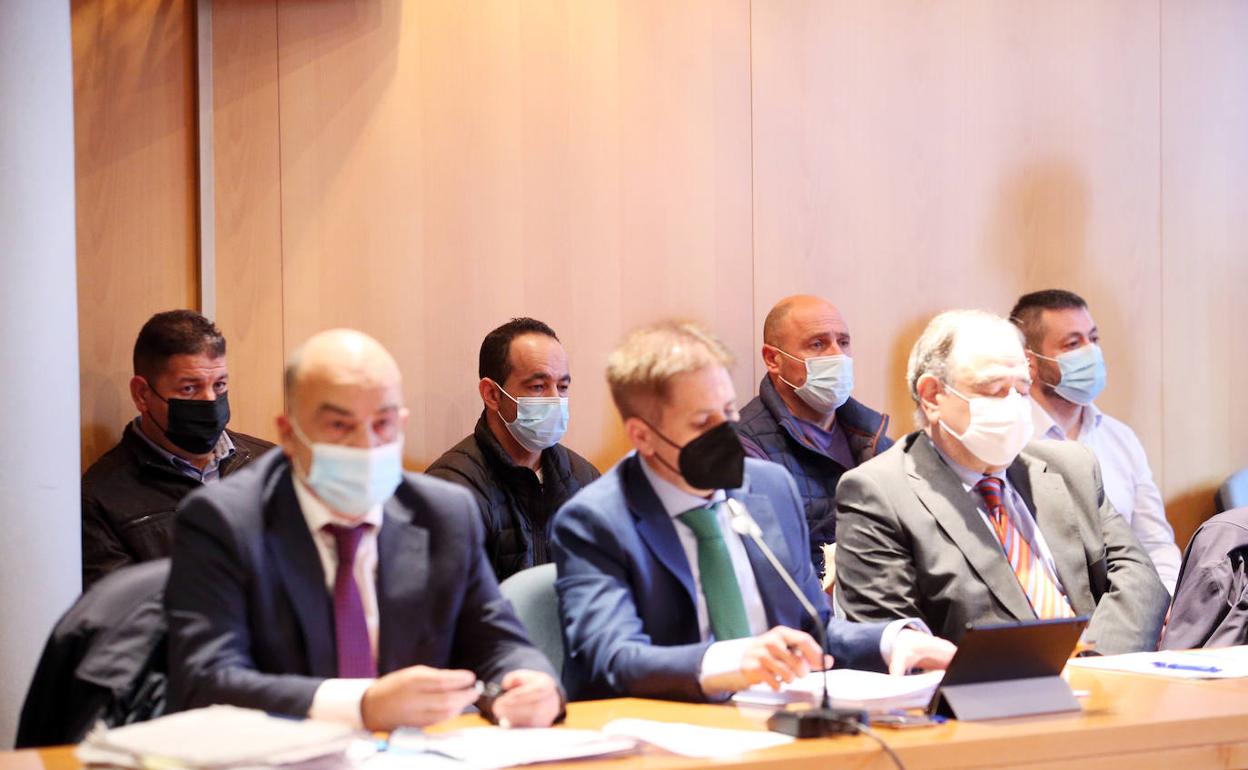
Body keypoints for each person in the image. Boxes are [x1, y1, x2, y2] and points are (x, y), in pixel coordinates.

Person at [165, 329, 561, 730]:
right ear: (288, 434)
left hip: (417, 752)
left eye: (383, 423)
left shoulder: (443, 514)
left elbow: (498, 643)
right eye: (340, 425)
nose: (366, 444)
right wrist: (362, 705)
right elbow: (205, 682)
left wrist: (531, 682)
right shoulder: (224, 521)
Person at [552, 320, 954, 702]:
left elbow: (812, 629)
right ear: (643, 436)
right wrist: (733, 661)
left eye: (728, 412)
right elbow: (613, 658)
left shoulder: (769, 488)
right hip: (668, 727)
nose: (725, 432)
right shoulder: (595, 521)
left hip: (779, 714)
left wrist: (892, 640)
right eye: (703, 422)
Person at [835, 310, 1169, 654]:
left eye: (1021, 390)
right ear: (933, 395)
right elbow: (899, 640)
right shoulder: (878, 493)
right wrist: (1052, 669)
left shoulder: (1071, 467)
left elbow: (1139, 580)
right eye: (994, 390)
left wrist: (1091, 665)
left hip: (1104, 673)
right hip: (987, 684)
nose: (1012, 406)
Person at [81, 310, 272, 589]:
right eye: (189, 389)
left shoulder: (272, 464)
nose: (210, 401)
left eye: (219, 385)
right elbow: (126, 610)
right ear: (142, 394)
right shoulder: (100, 500)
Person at [1010, 289, 1181, 593]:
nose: (1091, 353)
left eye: (1093, 339)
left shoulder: (1120, 438)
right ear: (1030, 362)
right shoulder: (1009, 440)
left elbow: (1155, 543)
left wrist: (1165, 596)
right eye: (1073, 344)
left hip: (1134, 605)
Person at [427, 318, 599, 581]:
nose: (555, 400)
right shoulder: (452, 489)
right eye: (538, 387)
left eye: (562, 387)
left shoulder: (585, 480)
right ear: (492, 394)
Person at [737, 295, 892, 573]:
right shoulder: (746, 447)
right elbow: (774, 566)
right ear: (773, 359)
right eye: (818, 344)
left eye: (843, 342)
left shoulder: (873, 436)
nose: (837, 355)